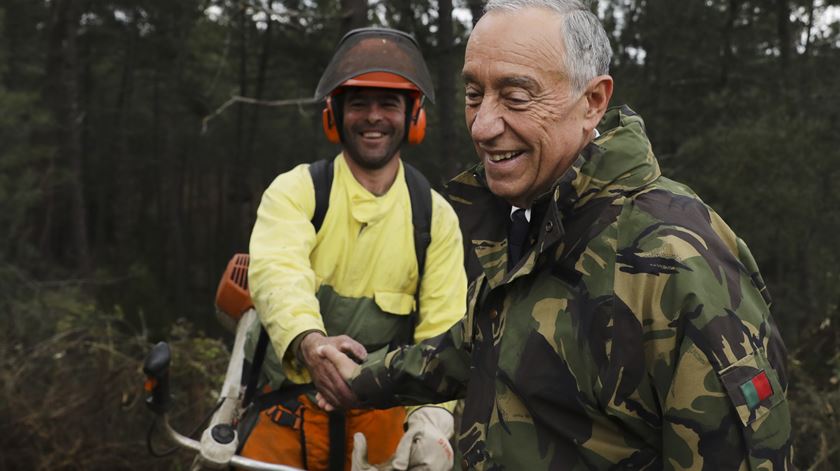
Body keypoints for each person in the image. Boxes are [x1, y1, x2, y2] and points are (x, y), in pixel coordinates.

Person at [315, 1, 794, 469]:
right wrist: (357, 379)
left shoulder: (677, 261)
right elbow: (474, 348)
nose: (482, 127)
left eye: (516, 97)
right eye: (473, 95)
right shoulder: (534, 224)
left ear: (592, 101)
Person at [240, 27, 467, 471]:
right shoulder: (296, 191)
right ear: (335, 115)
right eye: (359, 103)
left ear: (413, 117)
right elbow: (278, 273)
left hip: (382, 431)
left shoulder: (435, 218)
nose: (373, 117)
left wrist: (430, 427)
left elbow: (444, 337)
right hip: (280, 418)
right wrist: (309, 341)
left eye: (388, 104)